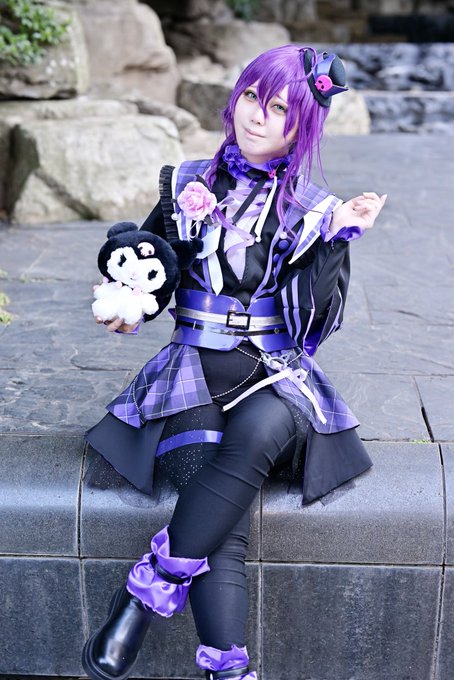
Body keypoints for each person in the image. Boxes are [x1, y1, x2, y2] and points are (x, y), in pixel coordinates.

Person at [82, 44, 387, 680]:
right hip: (191, 372)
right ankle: (228, 669)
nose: (256, 116)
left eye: (279, 109)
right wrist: (130, 307)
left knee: (254, 436)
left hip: (273, 374)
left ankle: (144, 594)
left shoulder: (314, 207)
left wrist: (337, 238)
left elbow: (312, 324)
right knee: (220, 520)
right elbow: (152, 266)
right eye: (252, 96)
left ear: (302, 125)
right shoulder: (186, 182)